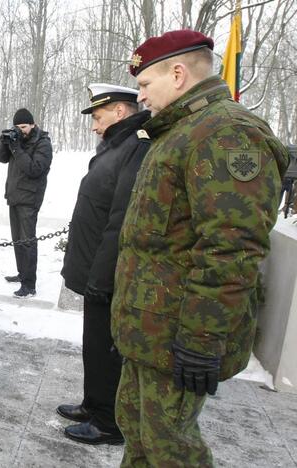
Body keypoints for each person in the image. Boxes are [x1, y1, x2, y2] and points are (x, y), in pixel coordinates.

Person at [114, 30, 288, 467]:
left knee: (170, 448)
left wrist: (202, 339)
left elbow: (231, 248)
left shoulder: (225, 133)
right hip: (152, 332)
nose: (141, 97)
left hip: (179, 336)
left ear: (177, 74)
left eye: (144, 85)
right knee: (138, 433)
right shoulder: (182, 131)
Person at [57, 84, 151, 446]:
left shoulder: (136, 147)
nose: (94, 126)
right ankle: (93, 404)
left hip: (107, 271)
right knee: (93, 343)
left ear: (120, 112)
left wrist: (102, 274)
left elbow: (122, 219)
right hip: (94, 265)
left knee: (106, 348)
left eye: (98, 117)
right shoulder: (116, 145)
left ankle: (110, 423)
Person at [0, 108, 52, 297]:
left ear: (33, 125)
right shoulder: (16, 140)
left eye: (24, 127)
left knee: (28, 241)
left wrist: (17, 148)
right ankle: (22, 274)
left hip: (30, 199)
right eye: (17, 127)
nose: (21, 130)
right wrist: (6, 142)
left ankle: (30, 284)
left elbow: (34, 169)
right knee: (17, 239)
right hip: (14, 196)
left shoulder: (43, 142)